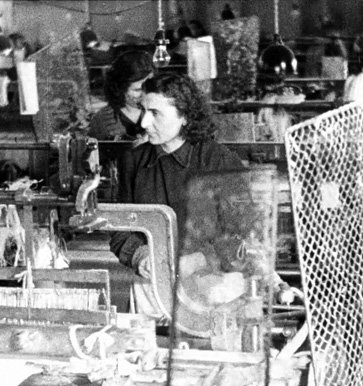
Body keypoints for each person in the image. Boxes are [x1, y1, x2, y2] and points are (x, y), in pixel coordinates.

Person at [109, 72, 246, 316]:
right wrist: (140, 256)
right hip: (152, 292)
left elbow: (241, 235)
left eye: (155, 113)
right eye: (143, 110)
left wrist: (198, 259)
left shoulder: (220, 162)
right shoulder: (133, 162)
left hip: (213, 291)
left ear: (184, 116)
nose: (144, 123)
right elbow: (120, 230)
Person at [88, 50, 155, 142]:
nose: (145, 95)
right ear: (120, 88)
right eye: (137, 90)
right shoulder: (102, 121)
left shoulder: (163, 113)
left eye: (149, 88)